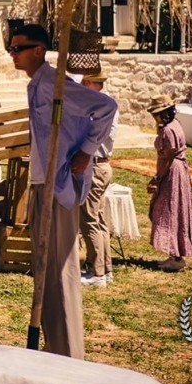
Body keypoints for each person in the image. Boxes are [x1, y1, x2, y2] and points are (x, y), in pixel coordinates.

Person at [10, 24, 117, 359]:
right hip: (44, 182)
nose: (13, 54)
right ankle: (56, 344)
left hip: (57, 185)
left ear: (38, 50)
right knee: (46, 269)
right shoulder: (38, 85)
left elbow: (106, 107)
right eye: (11, 49)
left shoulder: (54, 84)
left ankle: (68, 353)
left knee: (60, 269)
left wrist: (86, 150)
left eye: (18, 48)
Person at [146, 96, 192, 272]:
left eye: (156, 114)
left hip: (172, 172)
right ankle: (174, 254)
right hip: (176, 170)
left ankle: (177, 256)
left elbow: (169, 156)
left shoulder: (168, 131)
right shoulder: (174, 125)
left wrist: (157, 178)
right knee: (173, 210)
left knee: (169, 210)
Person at [79, 74, 117, 287]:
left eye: (86, 83)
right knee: (99, 219)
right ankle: (105, 268)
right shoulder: (107, 103)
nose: (83, 87)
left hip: (94, 166)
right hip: (102, 165)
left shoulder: (101, 106)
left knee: (88, 219)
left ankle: (97, 271)